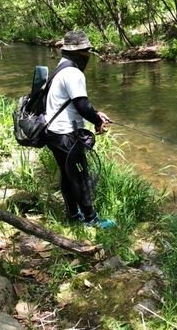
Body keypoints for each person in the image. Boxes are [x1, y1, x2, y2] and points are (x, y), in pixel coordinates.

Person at [45, 30, 115, 229]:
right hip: (67, 135)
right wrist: (97, 121)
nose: (87, 55)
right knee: (80, 176)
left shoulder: (61, 68)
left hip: (53, 133)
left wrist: (96, 113)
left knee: (67, 175)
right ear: (78, 52)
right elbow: (82, 106)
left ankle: (73, 214)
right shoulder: (74, 73)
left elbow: (74, 102)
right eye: (86, 51)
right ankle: (91, 219)